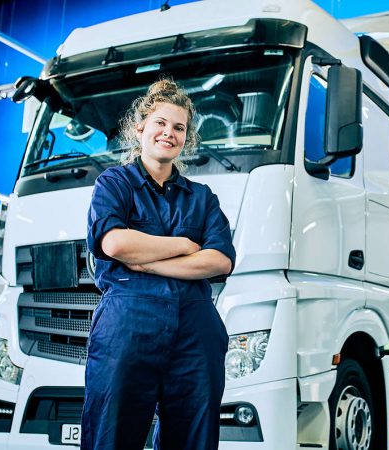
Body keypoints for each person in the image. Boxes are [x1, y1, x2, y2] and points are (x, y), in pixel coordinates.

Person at [83, 79, 235, 450]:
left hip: (195, 336)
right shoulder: (114, 184)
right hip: (127, 331)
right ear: (140, 128)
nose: (169, 133)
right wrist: (182, 246)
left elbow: (219, 261)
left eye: (179, 128)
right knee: (112, 435)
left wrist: (148, 262)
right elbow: (116, 242)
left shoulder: (202, 197)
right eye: (160, 123)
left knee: (193, 439)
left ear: (187, 138)